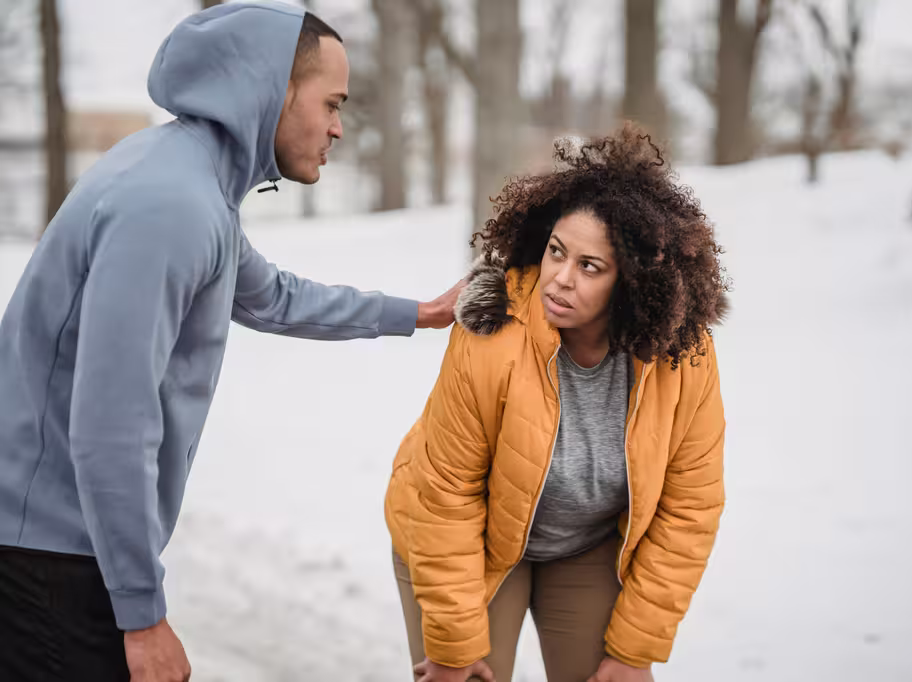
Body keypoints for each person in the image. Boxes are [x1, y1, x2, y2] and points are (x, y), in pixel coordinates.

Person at [0, 3, 459, 681]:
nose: (338, 126)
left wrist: (415, 313)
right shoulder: (170, 206)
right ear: (270, 90)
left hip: (58, 548)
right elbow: (110, 427)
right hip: (49, 560)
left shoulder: (189, 181)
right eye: (330, 102)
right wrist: (142, 616)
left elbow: (269, 295)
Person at [385, 124, 730, 682]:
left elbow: (689, 507)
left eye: (589, 267)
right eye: (556, 253)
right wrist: (452, 648)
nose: (559, 280)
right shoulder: (491, 332)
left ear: (634, 284)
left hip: (585, 546)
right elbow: (446, 495)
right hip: (469, 542)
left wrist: (633, 650)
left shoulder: (681, 357)